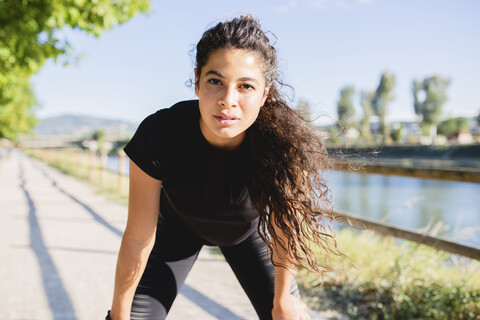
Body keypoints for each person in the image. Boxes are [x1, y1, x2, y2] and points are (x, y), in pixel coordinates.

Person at [108, 15, 338, 320]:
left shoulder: (282, 147)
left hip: (248, 236)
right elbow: (138, 236)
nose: (228, 100)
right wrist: (120, 313)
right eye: (216, 81)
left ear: (265, 94)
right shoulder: (159, 134)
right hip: (176, 232)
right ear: (197, 81)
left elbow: (283, 225)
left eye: (245, 86)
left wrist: (283, 298)